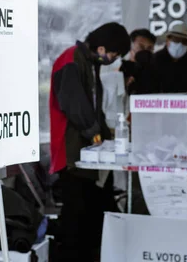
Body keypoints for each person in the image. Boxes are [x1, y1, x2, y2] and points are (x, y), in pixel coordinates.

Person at [49, 22, 130, 262]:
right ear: (103, 47)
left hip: (87, 151)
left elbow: (94, 107)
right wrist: (96, 134)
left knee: (92, 208)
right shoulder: (70, 59)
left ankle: (93, 253)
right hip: (72, 151)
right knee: (76, 213)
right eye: (114, 54)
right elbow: (75, 105)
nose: (113, 59)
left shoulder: (89, 63)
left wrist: (105, 136)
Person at [151, 23, 187, 94]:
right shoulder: (155, 58)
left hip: (184, 102)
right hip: (159, 102)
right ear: (167, 40)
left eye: (184, 42)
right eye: (176, 40)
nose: (180, 44)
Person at [120, 29, 156, 95]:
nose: (145, 51)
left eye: (149, 48)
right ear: (130, 46)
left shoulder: (156, 70)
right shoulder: (121, 68)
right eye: (141, 47)